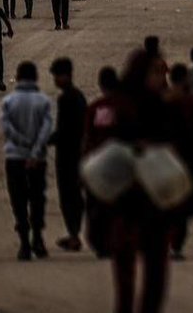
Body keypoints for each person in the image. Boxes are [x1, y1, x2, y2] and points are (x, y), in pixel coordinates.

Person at [104, 49, 180, 313]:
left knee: (156, 277)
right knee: (126, 275)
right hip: (126, 203)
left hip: (155, 204)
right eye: (158, 72)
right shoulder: (122, 106)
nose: (163, 78)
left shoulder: (163, 105)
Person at [0, 61, 53, 260]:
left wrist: (22, 145)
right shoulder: (43, 101)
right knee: (37, 197)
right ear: (35, 77)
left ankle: (24, 243)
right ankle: (38, 239)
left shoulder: (8, 102)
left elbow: (7, 129)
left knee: (19, 200)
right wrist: (35, 151)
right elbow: (46, 129)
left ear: (18, 77)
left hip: (14, 158)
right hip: (37, 160)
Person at [165, 63, 193, 261]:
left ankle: (168, 241)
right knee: (181, 206)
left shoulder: (163, 102)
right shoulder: (190, 102)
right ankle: (176, 245)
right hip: (186, 159)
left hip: (166, 159)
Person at [49, 57, 88, 252]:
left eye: (57, 76)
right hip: (78, 151)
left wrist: (49, 140)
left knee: (68, 194)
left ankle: (74, 235)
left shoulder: (67, 98)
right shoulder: (79, 96)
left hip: (67, 153)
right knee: (75, 194)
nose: (55, 80)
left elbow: (65, 128)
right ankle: (74, 233)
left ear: (66, 75)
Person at [83, 66, 121, 258]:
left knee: (97, 206)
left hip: (99, 164)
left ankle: (101, 242)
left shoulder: (96, 107)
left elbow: (88, 138)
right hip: (120, 166)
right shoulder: (125, 107)